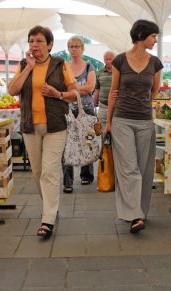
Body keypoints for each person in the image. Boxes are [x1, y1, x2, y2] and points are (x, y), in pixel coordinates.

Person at [8, 25, 78, 239]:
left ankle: (47, 220)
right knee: (37, 173)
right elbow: (12, 90)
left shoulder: (60, 64)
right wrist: (28, 68)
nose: (34, 45)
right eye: (31, 41)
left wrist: (58, 94)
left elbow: (75, 94)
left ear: (49, 44)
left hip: (56, 126)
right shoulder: (23, 65)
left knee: (49, 171)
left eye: (39, 41)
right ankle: (50, 207)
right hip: (30, 126)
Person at [105, 19, 163, 233]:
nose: (155, 40)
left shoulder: (155, 63)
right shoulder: (120, 61)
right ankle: (135, 215)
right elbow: (113, 92)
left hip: (144, 121)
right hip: (122, 120)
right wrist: (109, 122)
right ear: (141, 35)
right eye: (153, 36)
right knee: (129, 169)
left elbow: (154, 91)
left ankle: (139, 211)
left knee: (144, 169)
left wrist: (143, 104)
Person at [62, 36, 97, 193]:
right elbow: (62, 88)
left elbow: (90, 87)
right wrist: (75, 90)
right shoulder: (64, 67)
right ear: (68, 49)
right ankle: (68, 181)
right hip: (68, 110)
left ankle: (86, 175)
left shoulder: (89, 66)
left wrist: (72, 90)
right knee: (67, 145)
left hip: (87, 109)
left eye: (77, 46)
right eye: (71, 46)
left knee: (87, 142)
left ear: (82, 49)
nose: (74, 49)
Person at [93, 50, 116, 130]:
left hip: (117, 108)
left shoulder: (120, 73)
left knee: (116, 133)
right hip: (103, 107)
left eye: (110, 59)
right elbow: (96, 91)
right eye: (106, 59)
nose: (108, 61)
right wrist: (93, 107)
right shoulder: (99, 73)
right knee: (101, 133)